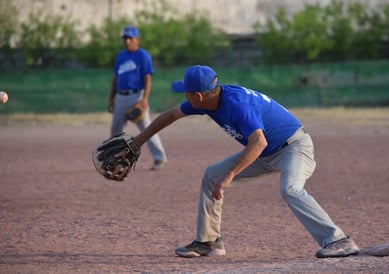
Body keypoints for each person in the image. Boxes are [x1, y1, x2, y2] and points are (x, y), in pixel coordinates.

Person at [132, 65, 360, 258]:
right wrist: (138, 142)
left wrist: (229, 176)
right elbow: (170, 115)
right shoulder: (207, 101)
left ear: (198, 95)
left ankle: (339, 241)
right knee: (212, 175)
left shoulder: (237, 105)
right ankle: (209, 242)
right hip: (264, 152)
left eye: (187, 92)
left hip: (294, 146)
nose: (185, 96)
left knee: (290, 189)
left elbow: (258, 142)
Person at [108, 26, 167, 170]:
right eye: (125, 38)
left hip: (136, 96)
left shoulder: (143, 55)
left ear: (137, 39)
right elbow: (116, 78)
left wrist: (144, 99)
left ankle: (160, 158)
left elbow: (147, 78)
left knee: (147, 128)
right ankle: (116, 160)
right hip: (121, 96)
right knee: (115, 129)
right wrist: (111, 98)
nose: (127, 41)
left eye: (130, 38)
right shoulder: (120, 56)